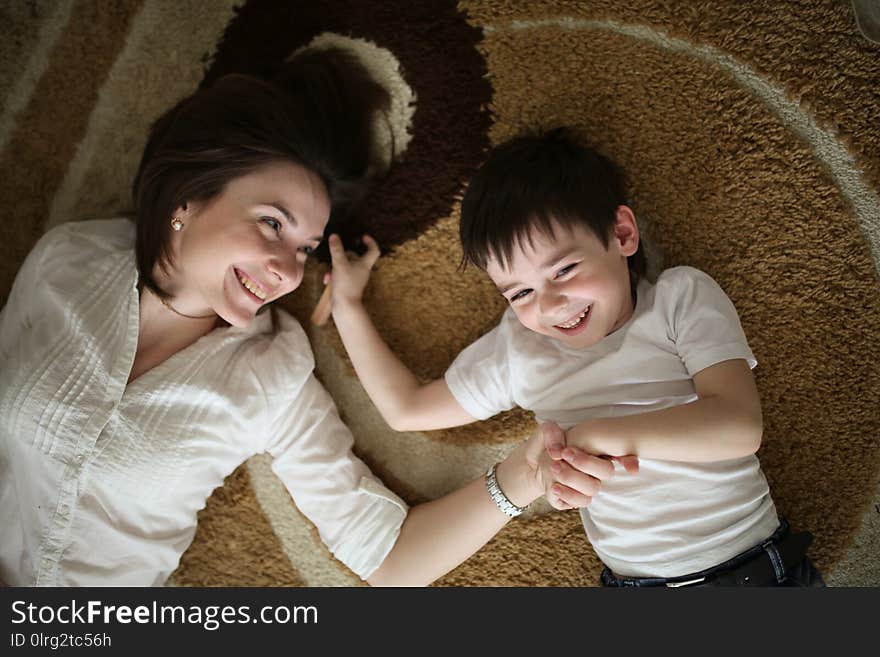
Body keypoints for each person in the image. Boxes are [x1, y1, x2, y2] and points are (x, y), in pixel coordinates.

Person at [0, 52, 618, 587]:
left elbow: (389, 560)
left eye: (303, 248)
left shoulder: (272, 375)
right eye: (272, 223)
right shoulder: (68, 262)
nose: (287, 271)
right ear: (188, 196)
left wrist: (522, 477)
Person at [324, 127, 824, 587]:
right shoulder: (520, 350)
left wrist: (600, 435)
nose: (547, 306)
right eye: (518, 293)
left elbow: (738, 425)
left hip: (756, 572)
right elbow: (406, 409)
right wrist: (347, 306)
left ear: (622, 235)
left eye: (563, 270)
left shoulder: (678, 299)